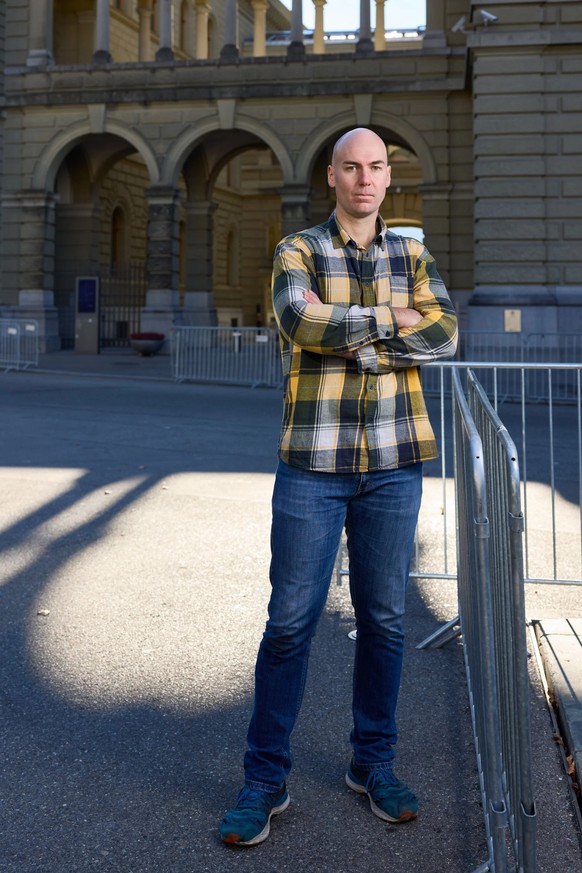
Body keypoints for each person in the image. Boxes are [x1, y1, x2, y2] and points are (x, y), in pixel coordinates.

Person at [219, 127, 458, 846]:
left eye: (376, 166)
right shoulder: (298, 250)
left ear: (389, 176)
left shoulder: (412, 251)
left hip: (393, 462)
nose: (364, 178)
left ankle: (372, 763)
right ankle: (265, 779)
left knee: (384, 620)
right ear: (332, 175)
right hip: (312, 465)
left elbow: (445, 333)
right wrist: (391, 321)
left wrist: (348, 332)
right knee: (290, 622)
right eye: (351, 167)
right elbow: (298, 317)